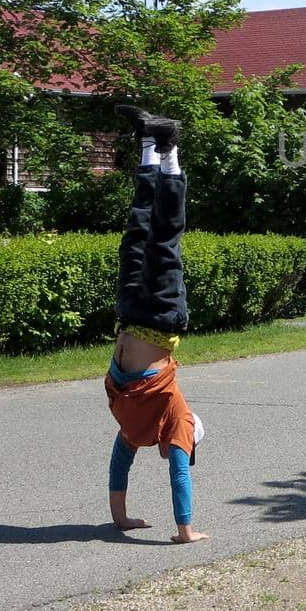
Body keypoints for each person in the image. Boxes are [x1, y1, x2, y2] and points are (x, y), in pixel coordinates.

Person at [105, 104, 209, 544]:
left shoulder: (135, 430)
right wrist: (185, 530)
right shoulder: (176, 419)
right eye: (184, 446)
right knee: (165, 238)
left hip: (129, 314)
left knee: (136, 234)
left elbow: (117, 466)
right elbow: (180, 475)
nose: (178, 450)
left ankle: (152, 142)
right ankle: (171, 152)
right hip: (162, 317)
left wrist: (120, 518)